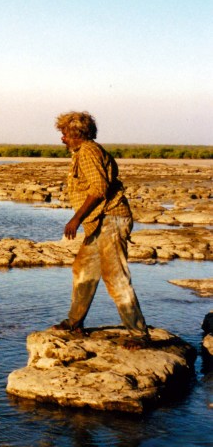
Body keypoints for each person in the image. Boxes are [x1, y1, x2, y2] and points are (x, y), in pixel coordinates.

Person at [52, 111, 150, 348]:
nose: (62, 138)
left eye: (64, 134)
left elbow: (98, 189)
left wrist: (76, 219)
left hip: (111, 219)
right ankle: (75, 322)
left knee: (115, 276)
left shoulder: (88, 152)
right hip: (99, 222)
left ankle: (139, 334)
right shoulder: (82, 152)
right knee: (83, 269)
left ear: (77, 134)